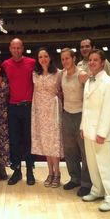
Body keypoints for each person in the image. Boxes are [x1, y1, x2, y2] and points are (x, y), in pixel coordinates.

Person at [80, 49, 110, 212]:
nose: (92, 62)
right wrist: (82, 126)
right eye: (90, 60)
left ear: (103, 62)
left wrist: (102, 132)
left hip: (102, 133)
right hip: (88, 130)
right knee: (92, 165)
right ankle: (97, 190)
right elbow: (86, 107)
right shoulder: (89, 81)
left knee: (106, 165)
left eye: (95, 60)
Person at [1, 38, 36, 185]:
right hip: (12, 108)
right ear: (10, 49)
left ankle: (29, 171)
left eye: (19, 48)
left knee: (28, 141)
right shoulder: (5, 64)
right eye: (13, 48)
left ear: (23, 48)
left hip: (28, 107)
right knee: (14, 142)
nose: (16, 50)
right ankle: (17, 171)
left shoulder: (32, 63)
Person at [60, 48, 92, 197]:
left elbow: (91, 96)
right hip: (67, 115)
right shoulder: (62, 74)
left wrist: (87, 118)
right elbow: (60, 93)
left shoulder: (82, 75)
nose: (65, 61)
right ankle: (74, 178)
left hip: (81, 115)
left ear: (73, 58)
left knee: (85, 152)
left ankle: (86, 183)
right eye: (63, 59)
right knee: (69, 150)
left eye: (67, 58)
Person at [31, 47, 63, 188]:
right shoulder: (35, 74)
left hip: (53, 110)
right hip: (39, 111)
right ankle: (50, 172)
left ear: (50, 58)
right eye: (40, 57)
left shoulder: (58, 73)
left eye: (45, 56)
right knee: (45, 143)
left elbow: (63, 91)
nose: (43, 59)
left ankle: (57, 173)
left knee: (53, 142)